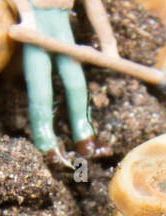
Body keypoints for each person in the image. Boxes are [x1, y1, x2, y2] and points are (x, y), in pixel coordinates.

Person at [10, 0, 116, 158]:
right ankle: (46, 147)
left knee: (77, 84)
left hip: (62, 28)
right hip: (35, 27)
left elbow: (95, 8)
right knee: (40, 89)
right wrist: (27, 17)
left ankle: (85, 138)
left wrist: (109, 45)